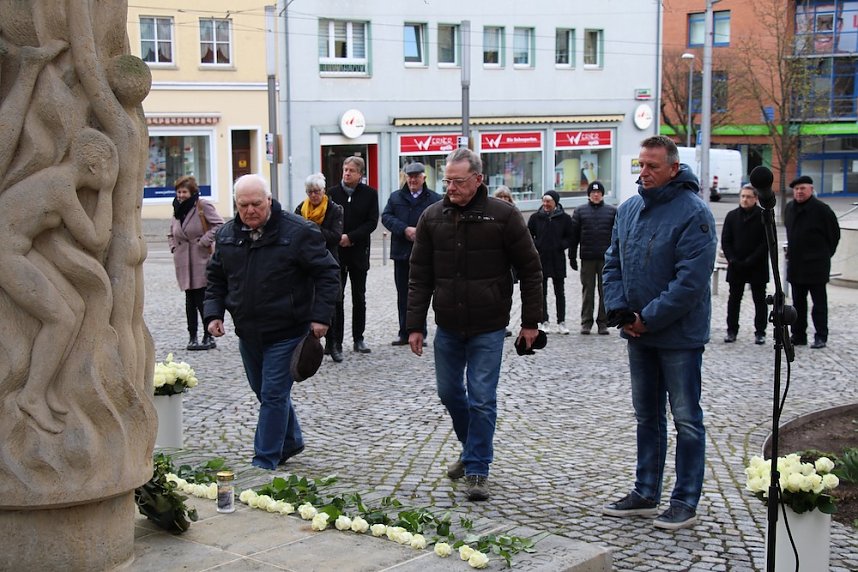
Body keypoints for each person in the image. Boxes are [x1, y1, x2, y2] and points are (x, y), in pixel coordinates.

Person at [406, 148, 543, 502]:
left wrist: (530, 323)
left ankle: (478, 468)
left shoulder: (504, 216)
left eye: (457, 181)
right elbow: (419, 276)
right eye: (447, 180)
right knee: (449, 393)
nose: (450, 187)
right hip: (448, 324)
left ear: (478, 180)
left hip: (488, 325)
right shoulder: (431, 217)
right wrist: (415, 325)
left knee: (482, 398)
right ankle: (471, 452)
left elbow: (531, 270)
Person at [602, 135, 717, 530]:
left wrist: (647, 318)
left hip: (678, 336)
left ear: (673, 168)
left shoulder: (694, 213)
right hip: (638, 333)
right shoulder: (630, 209)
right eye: (640, 165)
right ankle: (645, 491)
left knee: (686, 418)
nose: (644, 173)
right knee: (646, 416)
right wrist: (621, 312)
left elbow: (690, 282)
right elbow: (612, 262)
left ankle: (685, 499)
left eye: (652, 166)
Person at [205, 174, 340, 470]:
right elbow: (215, 278)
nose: (250, 210)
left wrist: (321, 316)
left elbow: (329, 273)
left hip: (288, 331)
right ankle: (290, 441)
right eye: (243, 205)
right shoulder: (227, 235)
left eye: (256, 204)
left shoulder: (299, 232)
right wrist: (213, 313)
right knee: (263, 391)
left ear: (268, 200)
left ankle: (264, 460)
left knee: (273, 394)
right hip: (249, 332)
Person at [5, 128, 118, 433]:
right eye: (110, 169)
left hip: (19, 248)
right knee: (61, 319)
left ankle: (47, 384)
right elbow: (95, 239)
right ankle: (30, 395)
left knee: (77, 307)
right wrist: (106, 193)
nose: (111, 176)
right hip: (5, 252)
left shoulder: (58, 179)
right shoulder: (61, 185)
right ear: (95, 167)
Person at [381, 162, 442, 346]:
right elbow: (386, 217)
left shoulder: (435, 198)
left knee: (423, 292)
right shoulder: (396, 197)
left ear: (424, 178)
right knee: (403, 294)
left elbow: (440, 220)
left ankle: (420, 331)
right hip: (402, 253)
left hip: (425, 254)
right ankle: (404, 332)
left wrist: (421, 232)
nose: (413, 180)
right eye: (410, 176)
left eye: (416, 176)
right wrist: (404, 229)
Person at [328, 156, 379, 355]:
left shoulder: (369, 194)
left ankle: (359, 338)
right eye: (345, 169)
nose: (347, 173)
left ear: (360, 174)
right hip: (337, 252)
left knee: (359, 297)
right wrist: (337, 237)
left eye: (351, 170)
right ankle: (335, 341)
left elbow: (372, 221)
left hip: (358, 251)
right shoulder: (332, 193)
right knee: (336, 297)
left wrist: (351, 237)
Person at [784, 175, 840, 349]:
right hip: (797, 264)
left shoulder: (822, 209)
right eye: (797, 189)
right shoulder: (790, 208)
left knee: (819, 304)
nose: (799, 192)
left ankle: (821, 336)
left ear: (811, 189)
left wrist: (823, 255)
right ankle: (798, 335)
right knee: (798, 303)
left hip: (816, 265)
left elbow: (834, 235)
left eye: (803, 188)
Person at [168, 175, 223, 351]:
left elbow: (219, 225)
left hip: (201, 259)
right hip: (183, 261)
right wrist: (173, 248)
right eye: (179, 192)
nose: (181, 195)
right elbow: (171, 233)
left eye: (184, 192)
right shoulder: (177, 209)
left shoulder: (202, 205)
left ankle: (208, 335)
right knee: (189, 301)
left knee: (203, 299)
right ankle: (192, 336)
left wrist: (204, 241)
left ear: (192, 192)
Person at [295, 173, 345, 362]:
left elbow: (335, 236)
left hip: (330, 260)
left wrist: (311, 230)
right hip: (307, 263)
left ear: (323, 191)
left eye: (316, 191)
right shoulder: (301, 208)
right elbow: (295, 233)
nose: (314, 195)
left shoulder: (334, 209)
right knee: (309, 302)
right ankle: (310, 344)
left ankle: (334, 344)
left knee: (334, 303)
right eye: (310, 192)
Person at [721, 184, 769, 345]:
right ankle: (731, 330)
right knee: (734, 300)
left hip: (757, 265)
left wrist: (751, 260)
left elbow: (766, 242)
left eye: (748, 197)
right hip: (736, 265)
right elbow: (726, 240)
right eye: (743, 196)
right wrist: (732, 259)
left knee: (759, 300)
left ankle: (760, 332)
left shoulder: (764, 215)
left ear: (755, 198)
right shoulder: (732, 216)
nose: (745, 199)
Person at [568, 180, 617, 335]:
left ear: (602, 194)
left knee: (605, 291)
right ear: (589, 194)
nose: (596, 195)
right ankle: (586, 322)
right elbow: (573, 236)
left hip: (606, 259)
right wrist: (572, 256)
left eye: (598, 192)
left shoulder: (611, 212)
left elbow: (617, 237)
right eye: (593, 192)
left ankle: (603, 322)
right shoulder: (580, 211)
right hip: (587, 258)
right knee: (587, 291)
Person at [528, 190, 574, 334]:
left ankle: (561, 321)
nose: (546, 204)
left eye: (549, 201)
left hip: (557, 259)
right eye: (544, 201)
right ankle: (544, 321)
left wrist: (561, 245)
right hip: (541, 258)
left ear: (555, 202)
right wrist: (537, 245)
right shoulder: (535, 217)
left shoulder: (565, 218)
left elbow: (570, 237)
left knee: (560, 292)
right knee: (542, 292)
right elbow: (528, 235)